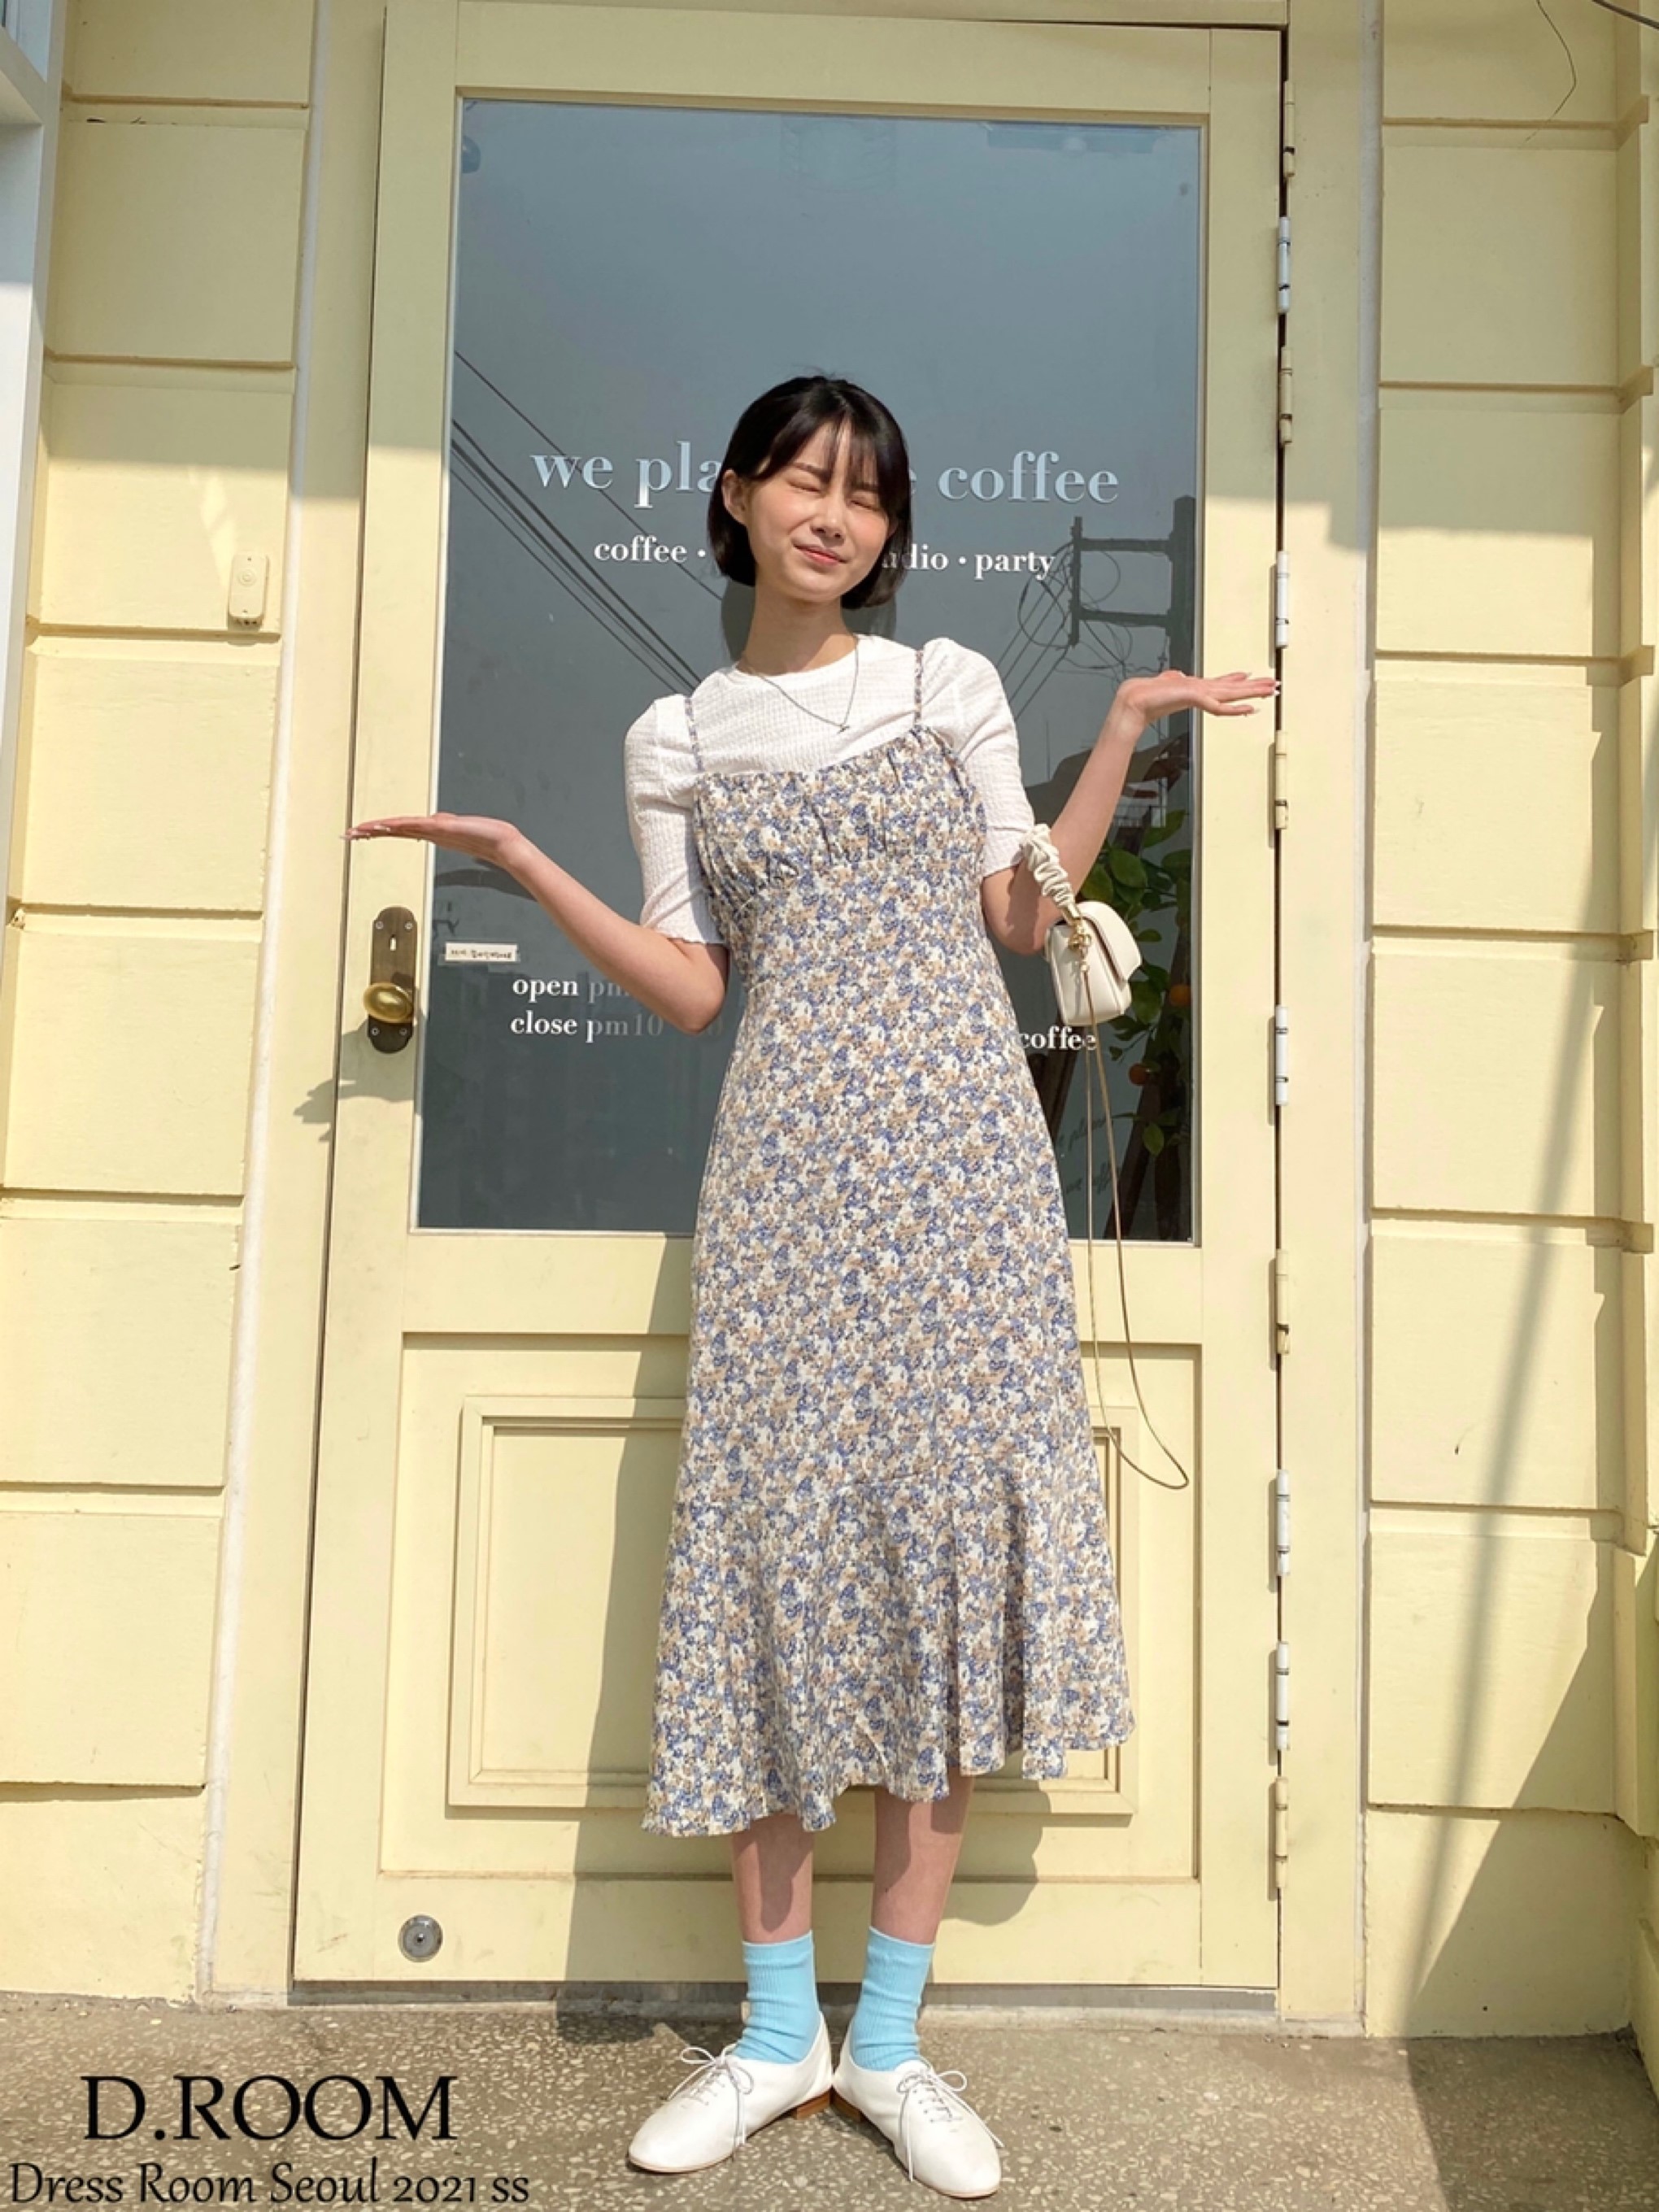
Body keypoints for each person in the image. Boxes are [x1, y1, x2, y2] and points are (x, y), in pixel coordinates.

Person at [347, 374, 1276, 2199]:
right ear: (738, 495)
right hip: (783, 1191)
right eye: (804, 480)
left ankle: (894, 2045)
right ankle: (779, 2041)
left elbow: (1023, 916)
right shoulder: (676, 734)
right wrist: (527, 868)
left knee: (939, 1577)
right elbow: (697, 989)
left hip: (964, 1186)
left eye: (867, 493)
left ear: (889, 528)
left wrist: (1117, 734)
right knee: (776, 1579)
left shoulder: (947, 686)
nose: (835, 515)